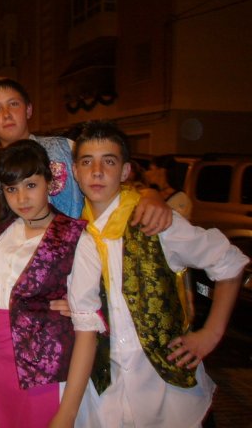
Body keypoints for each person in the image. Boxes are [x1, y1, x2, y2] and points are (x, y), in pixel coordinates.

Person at [68, 120, 248, 427]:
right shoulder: (72, 234)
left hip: (168, 395)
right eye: (87, 162)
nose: (97, 172)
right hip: (104, 399)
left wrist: (211, 334)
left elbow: (229, 262)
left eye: (108, 161)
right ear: (75, 171)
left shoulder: (153, 222)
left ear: (125, 171)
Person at [0, 139, 98, 428]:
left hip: (45, 373)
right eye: (12, 189)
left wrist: (67, 413)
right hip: (0, 366)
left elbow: (87, 332)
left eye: (31, 185)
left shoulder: (74, 237)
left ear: (50, 181)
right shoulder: (3, 229)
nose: (21, 198)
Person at [0, 77, 172, 234]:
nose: (6, 114)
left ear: (28, 109)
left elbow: (112, 183)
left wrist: (149, 194)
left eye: (13, 104)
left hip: (82, 256)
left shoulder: (65, 148)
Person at [146, 154, 193, 219]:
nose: (147, 173)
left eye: (150, 169)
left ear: (162, 171)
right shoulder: (152, 193)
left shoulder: (181, 199)